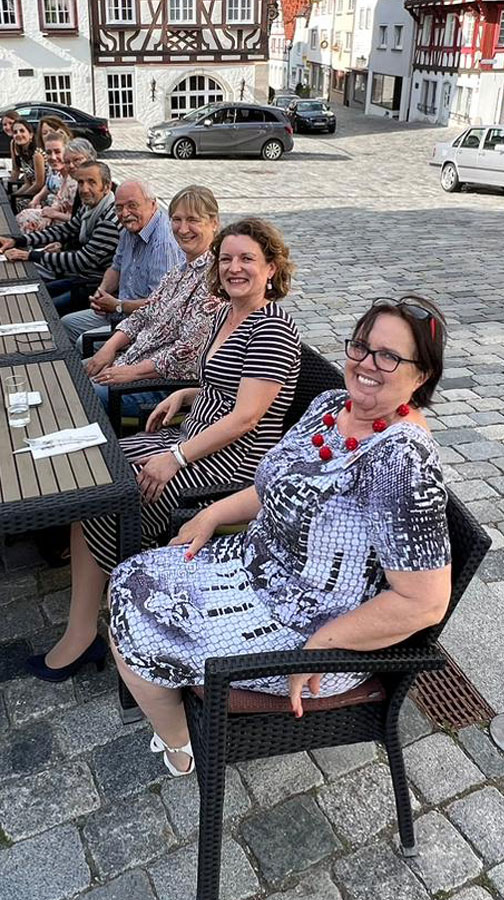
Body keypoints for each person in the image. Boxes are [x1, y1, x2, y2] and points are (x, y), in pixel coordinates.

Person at [111, 296, 450, 775]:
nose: (366, 363)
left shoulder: (403, 461)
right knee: (130, 577)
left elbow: (424, 603)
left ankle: (182, 745)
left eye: (389, 356)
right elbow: (276, 482)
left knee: (140, 630)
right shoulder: (334, 405)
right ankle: (179, 730)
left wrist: (319, 646)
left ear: (421, 377)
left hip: (313, 631)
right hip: (259, 568)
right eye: (361, 346)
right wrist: (211, 514)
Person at [27, 218, 301, 683]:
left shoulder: (272, 330)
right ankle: (91, 616)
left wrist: (175, 457)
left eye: (247, 259)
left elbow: (247, 418)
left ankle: (96, 629)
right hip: (190, 436)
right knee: (94, 471)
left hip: (232, 461)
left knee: (108, 497)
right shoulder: (226, 314)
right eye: (227, 258)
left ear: (271, 268)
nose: (234, 268)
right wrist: (187, 394)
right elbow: (225, 384)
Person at [84, 185, 226, 414]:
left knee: (82, 395)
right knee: (72, 372)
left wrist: (133, 372)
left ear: (214, 223)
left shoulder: (216, 279)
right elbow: (143, 314)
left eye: (193, 220)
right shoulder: (179, 270)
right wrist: (109, 347)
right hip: (132, 359)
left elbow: (188, 351)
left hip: (162, 384)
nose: (182, 229)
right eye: (176, 219)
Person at [61, 179, 185, 343]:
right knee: (66, 324)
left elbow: (160, 306)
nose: (125, 213)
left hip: (147, 325)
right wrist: (102, 292)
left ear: (153, 204)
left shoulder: (163, 244)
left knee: (83, 341)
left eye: (132, 205)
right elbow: (116, 268)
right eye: (119, 208)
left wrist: (118, 305)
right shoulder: (130, 229)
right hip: (120, 311)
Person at [0, 161, 120, 315]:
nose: (84, 189)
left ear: (107, 186)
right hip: (81, 279)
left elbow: (80, 261)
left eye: (92, 182)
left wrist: (30, 255)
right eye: (81, 182)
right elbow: (65, 230)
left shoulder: (109, 220)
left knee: (37, 309)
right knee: (31, 295)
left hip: (94, 288)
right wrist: (18, 240)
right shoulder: (91, 206)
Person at [15, 131, 71, 232]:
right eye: (49, 153)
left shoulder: (74, 179)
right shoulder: (59, 173)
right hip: (54, 212)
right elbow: (57, 201)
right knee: (22, 215)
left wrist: (52, 214)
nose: (53, 157)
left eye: (57, 152)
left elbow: (81, 219)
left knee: (25, 218)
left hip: (68, 227)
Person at [9, 120, 46, 201]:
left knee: (17, 204)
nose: (18, 134)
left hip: (43, 195)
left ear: (31, 135)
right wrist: (13, 196)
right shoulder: (23, 154)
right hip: (33, 192)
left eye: (22, 131)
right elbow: (27, 184)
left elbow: (39, 184)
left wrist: (19, 198)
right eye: (15, 132)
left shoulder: (37, 155)